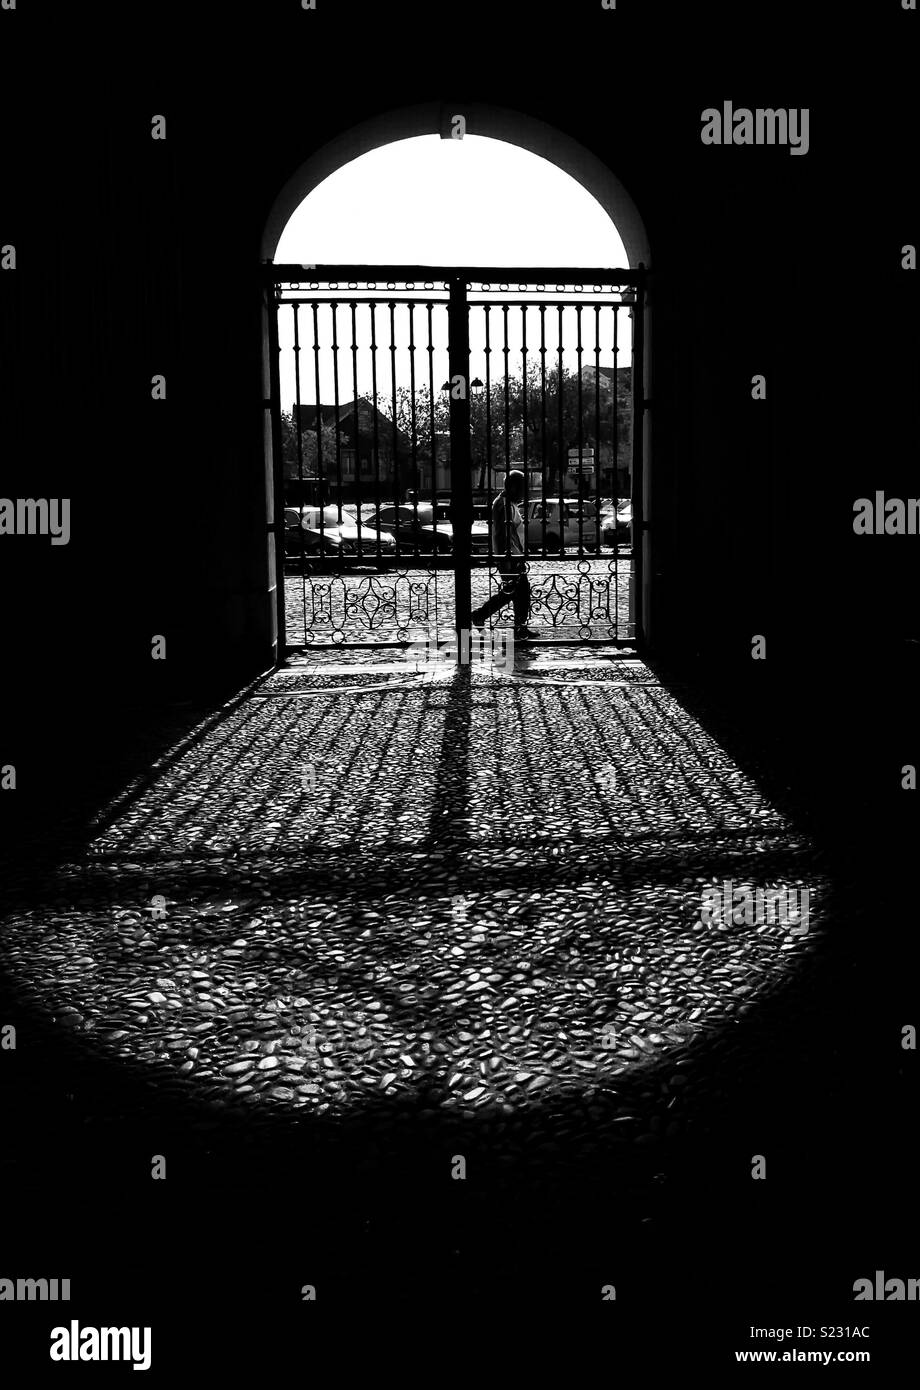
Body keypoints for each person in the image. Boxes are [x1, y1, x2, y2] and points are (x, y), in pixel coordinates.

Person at [471, 469, 538, 640]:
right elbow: (504, 535)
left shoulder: (508, 503)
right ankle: (514, 626)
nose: (525, 491)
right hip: (510, 557)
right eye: (523, 487)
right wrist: (508, 559)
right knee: (516, 591)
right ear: (514, 487)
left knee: (514, 592)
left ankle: (514, 625)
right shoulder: (504, 505)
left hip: (513, 556)